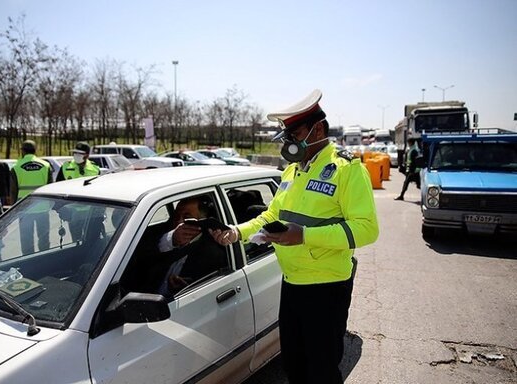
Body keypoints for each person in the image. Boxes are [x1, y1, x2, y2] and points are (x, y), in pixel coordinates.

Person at [210, 89, 379, 383]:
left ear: (319, 129)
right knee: (295, 365)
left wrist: (304, 236)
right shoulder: (291, 172)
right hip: (292, 284)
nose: (291, 142)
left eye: (296, 133)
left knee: (322, 371)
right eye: (288, 136)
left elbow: (367, 229)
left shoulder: (346, 168)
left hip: (326, 288)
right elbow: (270, 217)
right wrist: (237, 232)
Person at [155, 197, 227, 297]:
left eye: (186, 218)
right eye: (176, 216)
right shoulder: (163, 238)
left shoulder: (212, 254)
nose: (179, 222)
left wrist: (183, 288)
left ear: (202, 221)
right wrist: (171, 240)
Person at [9, 140, 53, 254]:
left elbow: (13, 192)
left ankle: (28, 264)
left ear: (23, 151)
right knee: (44, 238)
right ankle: (44, 261)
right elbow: (51, 187)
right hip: (43, 208)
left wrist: (13, 210)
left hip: (24, 209)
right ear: (35, 150)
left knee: (26, 240)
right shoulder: (46, 165)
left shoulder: (16, 167)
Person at [56, 142, 100, 240]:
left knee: (92, 240)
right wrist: (60, 208)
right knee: (76, 241)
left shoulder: (95, 169)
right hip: (72, 212)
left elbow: (99, 191)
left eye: (80, 153)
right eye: (75, 153)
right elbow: (58, 188)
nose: (76, 155)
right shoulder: (66, 167)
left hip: (90, 213)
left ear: (87, 155)